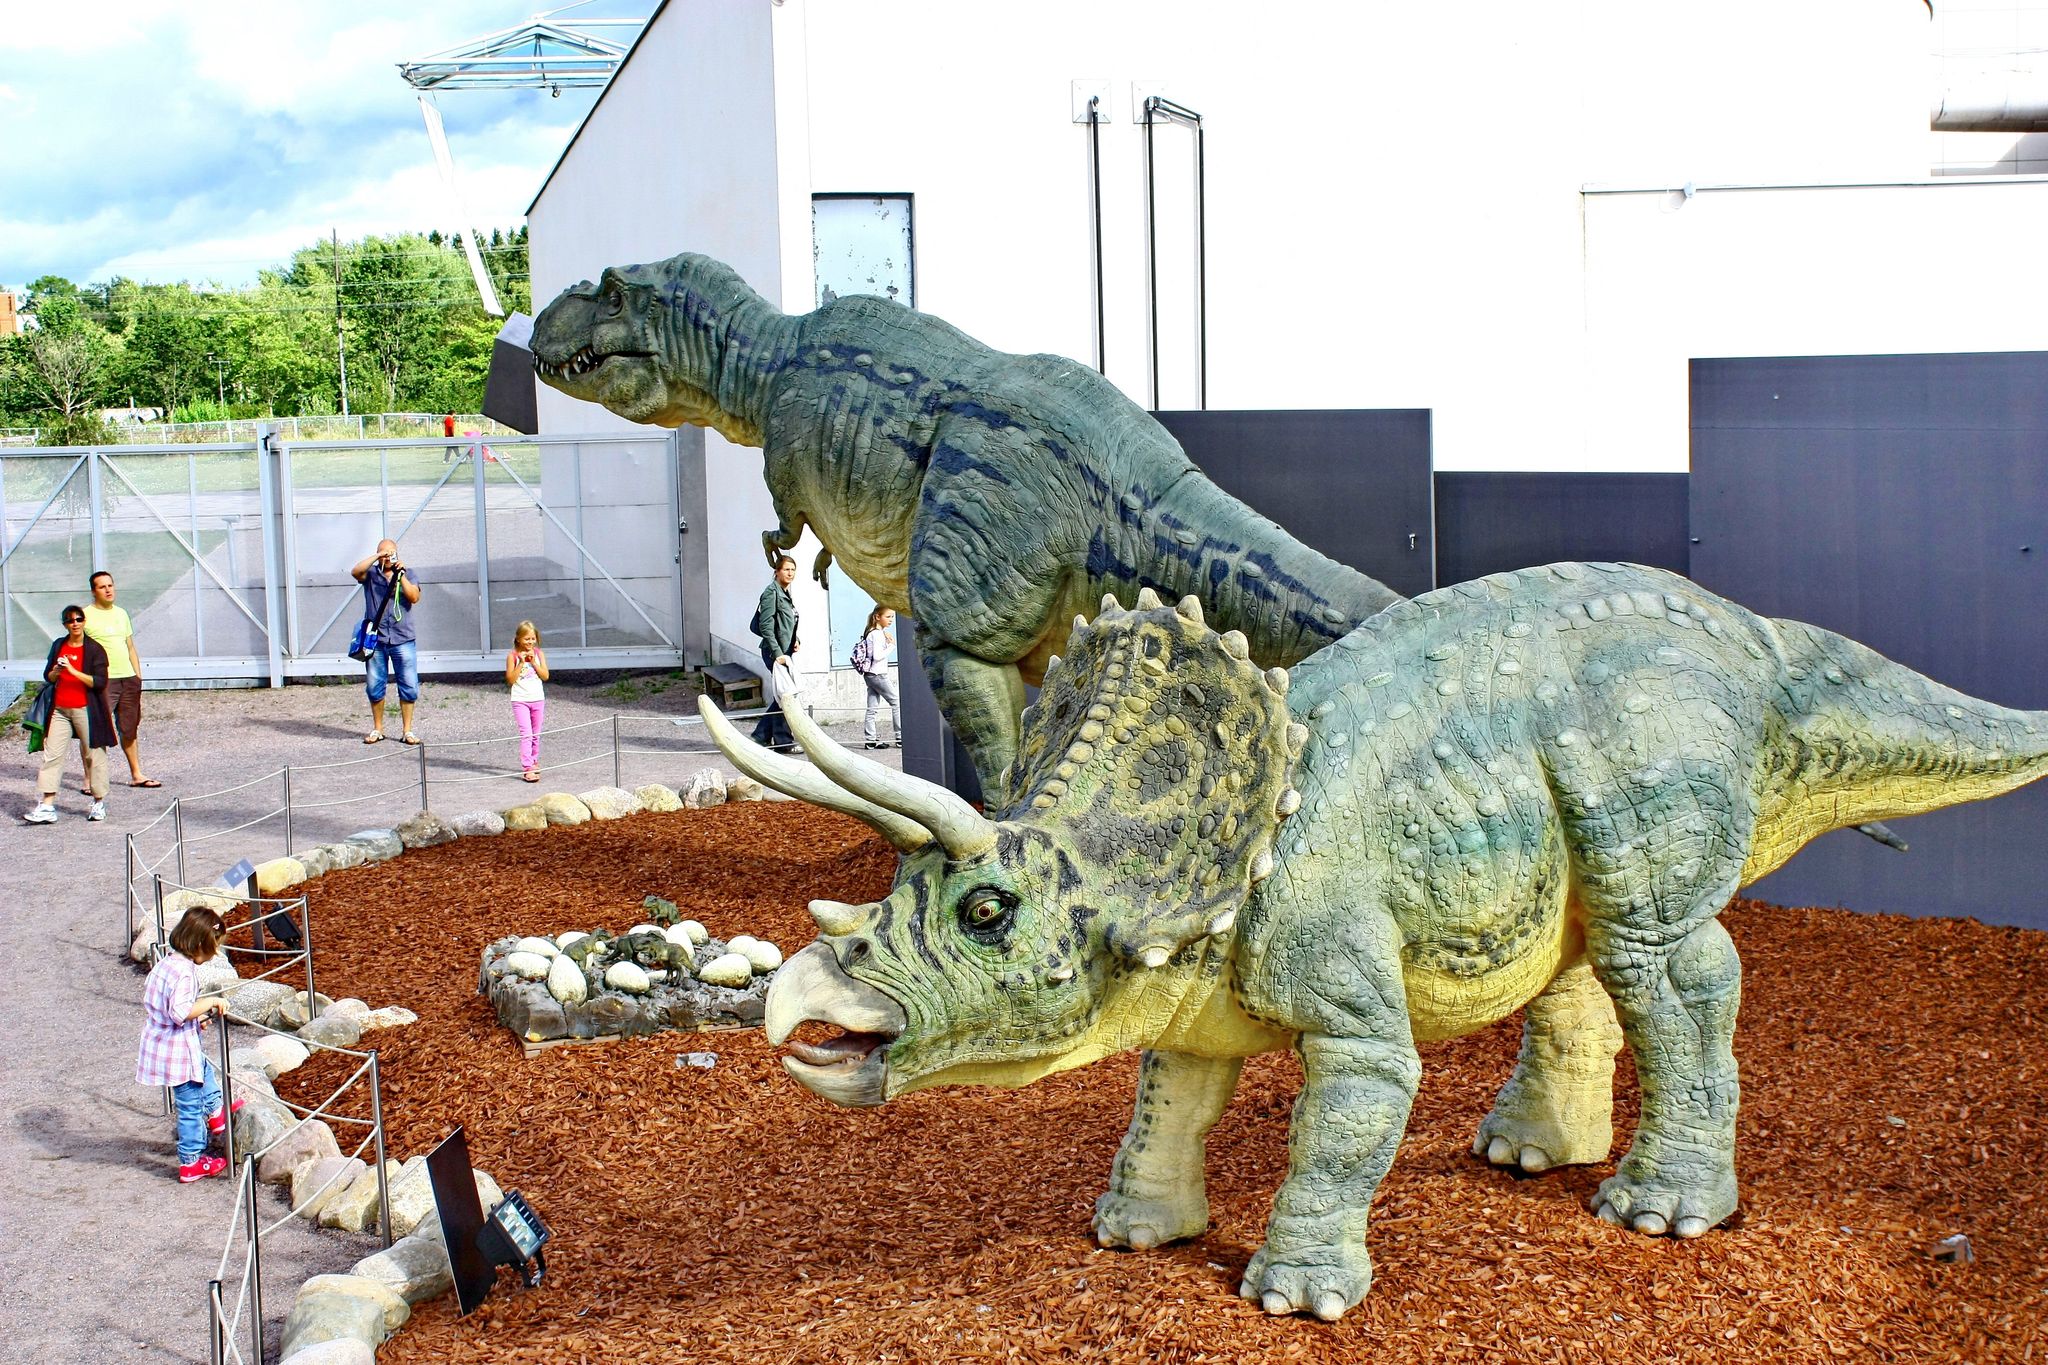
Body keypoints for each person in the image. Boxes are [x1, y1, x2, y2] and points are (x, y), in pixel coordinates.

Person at [135, 906, 242, 1183]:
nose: (215, 954)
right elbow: (180, 1011)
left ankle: (217, 1111)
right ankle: (191, 1161)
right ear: (198, 945)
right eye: (213, 948)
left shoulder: (168, 962)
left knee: (203, 1071)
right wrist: (210, 1002)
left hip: (173, 1041)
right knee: (190, 1104)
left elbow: (173, 1010)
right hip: (176, 1049)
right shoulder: (184, 973)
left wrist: (198, 1019)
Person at [22, 605, 116, 824]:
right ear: (64, 624)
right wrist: (56, 672)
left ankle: (98, 801)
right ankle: (46, 805)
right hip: (60, 710)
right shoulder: (59, 645)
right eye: (70, 620)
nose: (75, 623)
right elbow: (49, 676)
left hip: (86, 709)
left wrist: (73, 671)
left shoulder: (94, 649)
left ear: (84, 622)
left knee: (94, 755)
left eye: (79, 619)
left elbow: (100, 682)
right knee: (52, 755)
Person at [83, 569, 158, 787]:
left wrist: (137, 676)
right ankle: (90, 779)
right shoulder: (85, 616)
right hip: (104, 681)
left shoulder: (121, 614)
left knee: (129, 728)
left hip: (128, 679)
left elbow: (130, 646)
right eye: (102, 587)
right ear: (93, 591)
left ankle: (137, 774)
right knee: (96, 730)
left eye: (110, 585)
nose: (108, 590)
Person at [350, 539, 423, 745]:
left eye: (391, 554)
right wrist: (377, 557)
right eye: (384, 553)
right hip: (377, 639)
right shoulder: (371, 575)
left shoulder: (408, 573)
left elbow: (414, 597)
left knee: (408, 684)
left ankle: (407, 730)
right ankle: (377, 728)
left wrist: (401, 576)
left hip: (403, 638)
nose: (388, 557)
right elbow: (355, 571)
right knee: (375, 684)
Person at [751, 554, 800, 753]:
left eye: (793, 569)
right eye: (786, 569)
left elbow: (788, 623)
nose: (790, 573)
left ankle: (761, 735)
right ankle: (783, 742)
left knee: (783, 695)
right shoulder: (771, 593)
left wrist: (796, 640)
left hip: (786, 651)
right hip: (774, 653)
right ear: (777, 572)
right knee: (786, 695)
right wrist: (778, 653)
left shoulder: (785, 592)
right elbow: (766, 626)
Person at [505, 621, 549, 782]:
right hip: (520, 700)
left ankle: (534, 761)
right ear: (518, 639)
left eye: (532, 639)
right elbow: (510, 679)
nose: (529, 642)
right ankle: (527, 767)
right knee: (526, 734)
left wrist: (533, 662)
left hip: (537, 698)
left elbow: (545, 676)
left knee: (536, 733)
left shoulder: (539, 654)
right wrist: (522, 662)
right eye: (526, 639)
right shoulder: (512, 656)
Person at [853, 604, 900, 750]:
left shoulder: (871, 632)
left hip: (870, 675)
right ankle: (900, 737)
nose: (891, 620)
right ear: (877, 617)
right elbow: (878, 656)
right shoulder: (877, 634)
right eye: (888, 616)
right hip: (878, 674)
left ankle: (870, 740)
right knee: (896, 703)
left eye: (892, 616)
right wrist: (891, 646)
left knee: (872, 707)